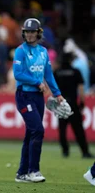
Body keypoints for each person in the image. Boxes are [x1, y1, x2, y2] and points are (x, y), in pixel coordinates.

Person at [13, 18, 65, 183]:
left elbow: (48, 75)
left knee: (30, 133)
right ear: (24, 33)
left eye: (32, 31)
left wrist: (57, 94)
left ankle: (22, 173)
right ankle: (33, 170)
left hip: (37, 97)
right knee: (38, 130)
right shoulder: (20, 51)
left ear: (38, 33)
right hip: (24, 96)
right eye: (27, 32)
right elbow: (18, 74)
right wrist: (37, 82)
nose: (29, 34)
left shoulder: (43, 51)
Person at [54, 52, 92, 158]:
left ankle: (65, 151)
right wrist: (82, 101)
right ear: (71, 60)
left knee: (62, 129)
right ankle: (85, 151)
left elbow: (53, 89)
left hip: (61, 104)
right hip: (72, 104)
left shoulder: (57, 72)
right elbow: (80, 88)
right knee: (78, 129)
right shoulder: (75, 72)